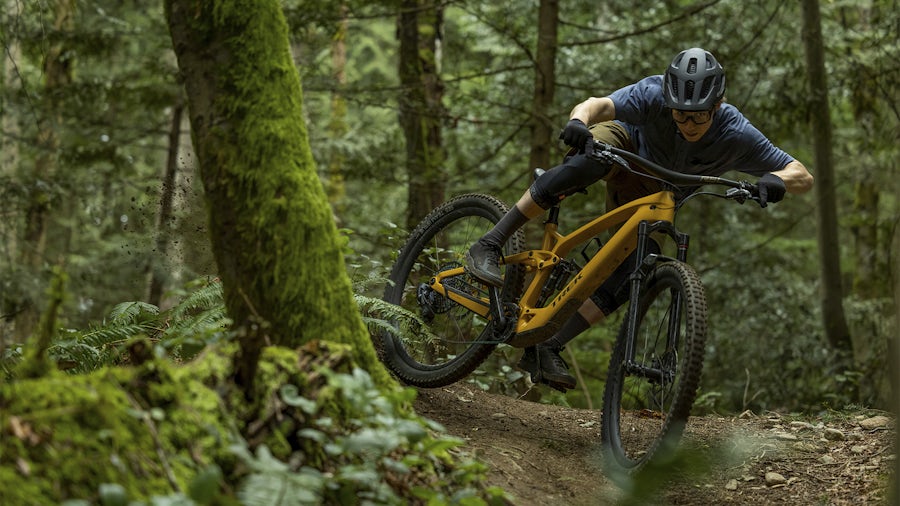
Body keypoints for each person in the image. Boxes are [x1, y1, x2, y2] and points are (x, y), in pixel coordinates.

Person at [465, 47, 814, 392]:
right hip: (624, 149)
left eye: (698, 116)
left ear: (717, 106)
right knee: (588, 160)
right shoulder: (652, 95)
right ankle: (490, 242)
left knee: (637, 268)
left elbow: (801, 173)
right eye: (680, 115)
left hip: (657, 195)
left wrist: (776, 180)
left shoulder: (736, 132)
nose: (688, 124)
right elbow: (597, 105)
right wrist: (578, 122)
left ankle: (548, 343)